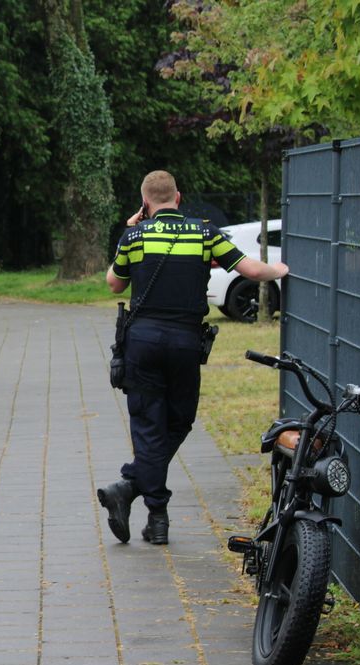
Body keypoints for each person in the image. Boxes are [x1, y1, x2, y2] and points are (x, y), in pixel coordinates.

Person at [97, 170, 289, 545]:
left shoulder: (134, 236)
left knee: (149, 426)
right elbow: (251, 270)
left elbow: (114, 283)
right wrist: (279, 270)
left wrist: (132, 229)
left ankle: (136, 493)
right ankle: (150, 512)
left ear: (145, 202)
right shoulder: (204, 233)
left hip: (143, 343)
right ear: (178, 197)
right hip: (185, 343)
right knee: (180, 420)